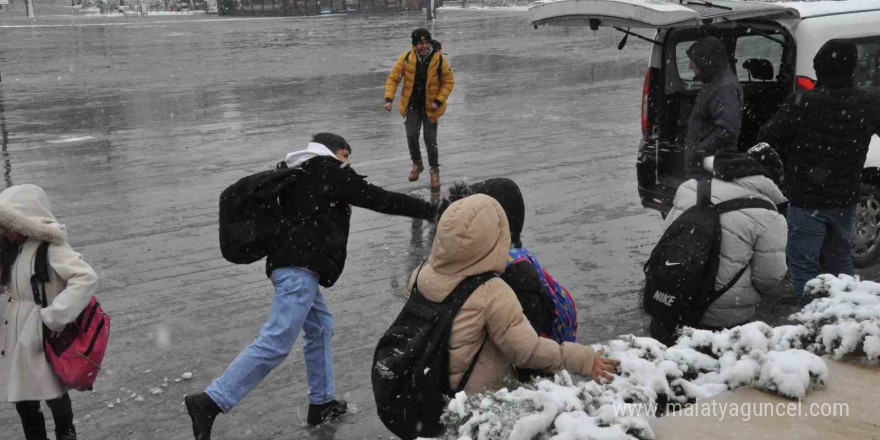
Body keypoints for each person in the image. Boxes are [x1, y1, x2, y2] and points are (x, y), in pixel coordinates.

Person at [185, 133, 444, 439]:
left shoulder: (299, 171)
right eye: (347, 155)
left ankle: (321, 403)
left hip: (294, 267)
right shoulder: (325, 169)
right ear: (334, 151)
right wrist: (432, 211)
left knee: (320, 328)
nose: (349, 163)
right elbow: (378, 198)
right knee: (277, 340)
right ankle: (211, 401)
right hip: (298, 270)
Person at [408, 194, 619, 394]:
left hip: (426, 386)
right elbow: (527, 351)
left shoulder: (420, 274)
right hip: (475, 397)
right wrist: (583, 359)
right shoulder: (491, 291)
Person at [758, 40, 880, 305]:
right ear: (852, 68)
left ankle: (811, 323)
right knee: (840, 260)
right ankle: (846, 316)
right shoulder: (869, 102)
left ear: (819, 68)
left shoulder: (802, 102)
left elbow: (768, 136)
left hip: (806, 200)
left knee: (804, 266)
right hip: (846, 199)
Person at [650, 147, 788, 344]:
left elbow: (666, 239)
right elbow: (769, 279)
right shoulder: (769, 216)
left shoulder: (691, 188)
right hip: (723, 322)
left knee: (663, 369)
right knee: (714, 371)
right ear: (772, 180)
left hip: (670, 302)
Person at [0, 184, 98, 440]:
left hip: (42, 332)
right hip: (18, 334)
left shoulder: (50, 247)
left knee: (53, 391)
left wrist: (55, 316)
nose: (3, 230)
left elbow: (85, 277)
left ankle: (66, 431)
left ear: (25, 221)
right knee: (24, 399)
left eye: (7, 224)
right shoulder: (13, 249)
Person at [384, 28, 455, 189]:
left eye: (425, 42)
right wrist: (389, 99)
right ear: (414, 45)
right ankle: (417, 163)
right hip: (412, 106)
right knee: (411, 135)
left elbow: (449, 82)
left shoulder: (439, 60)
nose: (423, 46)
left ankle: (434, 171)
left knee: (430, 141)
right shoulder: (407, 58)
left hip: (431, 107)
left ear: (429, 42)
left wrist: (438, 101)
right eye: (419, 43)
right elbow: (393, 79)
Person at [684, 36, 744, 176]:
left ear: (706, 61)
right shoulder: (713, 82)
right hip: (704, 165)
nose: (690, 66)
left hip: (710, 167)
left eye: (694, 61)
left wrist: (699, 151)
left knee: (704, 198)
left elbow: (727, 130)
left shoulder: (725, 87)